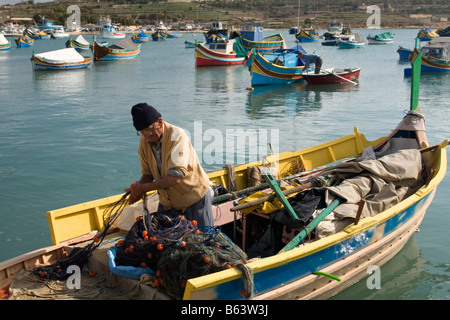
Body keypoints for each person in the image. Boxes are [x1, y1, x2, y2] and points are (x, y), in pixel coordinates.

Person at [124, 103, 214, 227]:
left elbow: (175, 177)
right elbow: (148, 174)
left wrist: (143, 188)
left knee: (201, 240)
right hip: (168, 203)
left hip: (194, 200)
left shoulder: (177, 136)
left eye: (149, 130)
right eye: (142, 133)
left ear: (159, 122)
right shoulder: (145, 141)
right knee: (168, 241)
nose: (147, 136)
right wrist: (138, 188)